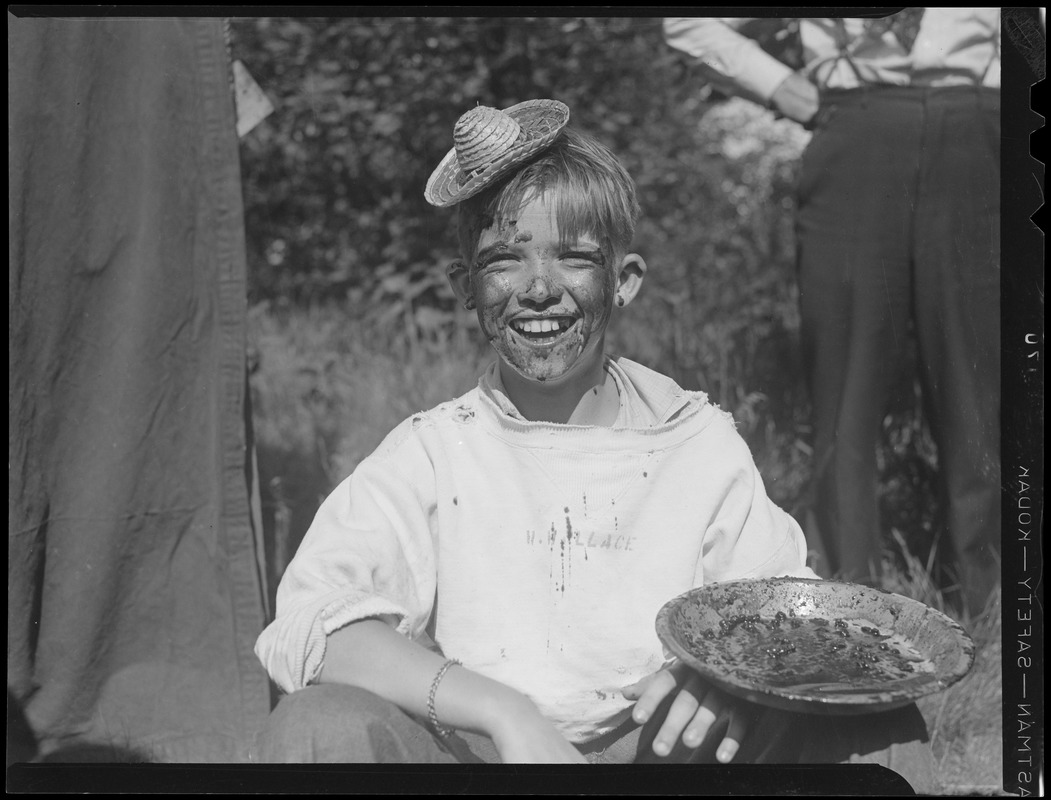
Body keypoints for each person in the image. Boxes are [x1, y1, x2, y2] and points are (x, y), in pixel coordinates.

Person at [251, 99, 935, 789]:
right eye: (503, 262)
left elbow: (790, 616)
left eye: (574, 258)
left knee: (875, 728)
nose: (539, 289)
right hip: (481, 753)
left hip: (667, 755)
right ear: (466, 286)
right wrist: (502, 712)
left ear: (623, 280)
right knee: (317, 725)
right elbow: (311, 624)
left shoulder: (695, 443)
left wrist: (731, 677)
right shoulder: (432, 452)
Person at [663, 11, 1002, 617]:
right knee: (847, 379)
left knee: (975, 377)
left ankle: (986, 602)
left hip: (980, 127)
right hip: (856, 126)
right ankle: (849, 598)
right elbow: (689, 23)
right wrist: (780, 85)